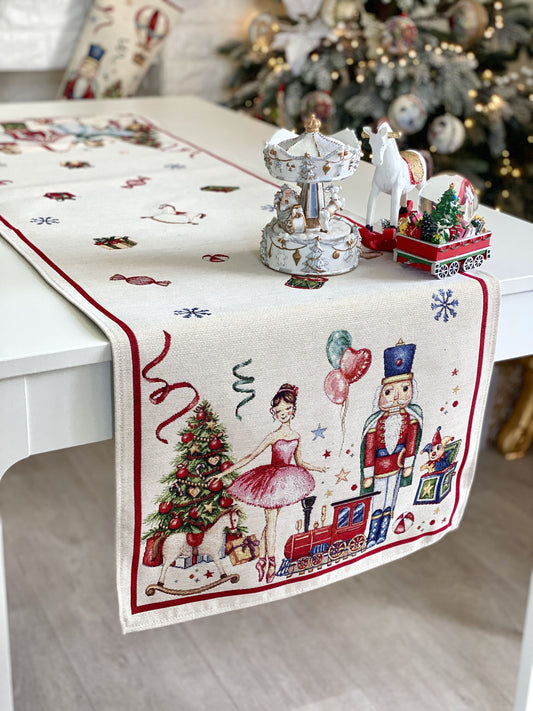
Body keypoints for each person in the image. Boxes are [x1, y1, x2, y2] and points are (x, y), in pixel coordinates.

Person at [214, 384, 325, 583]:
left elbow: (299, 462)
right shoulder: (274, 436)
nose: (283, 413)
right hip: (270, 482)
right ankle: (272, 562)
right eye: (279, 410)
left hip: (287, 481)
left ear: (293, 409)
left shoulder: (296, 436)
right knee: (272, 522)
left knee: (269, 523)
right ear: (273, 412)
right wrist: (223, 474)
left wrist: (316, 468)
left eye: (287, 409)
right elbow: (250, 456)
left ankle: (262, 561)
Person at [360, 340, 423, 548]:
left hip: (397, 464)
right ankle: (372, 535)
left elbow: (411, 442)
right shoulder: (375, 423)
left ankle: (383, 534)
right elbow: (369, 449)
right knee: (378, 500)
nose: (396, 397)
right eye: (388, 392)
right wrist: (368, 474)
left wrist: (409, 464)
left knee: (391, 500)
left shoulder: (411, 419)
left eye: (404, 389)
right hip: (379, 467)